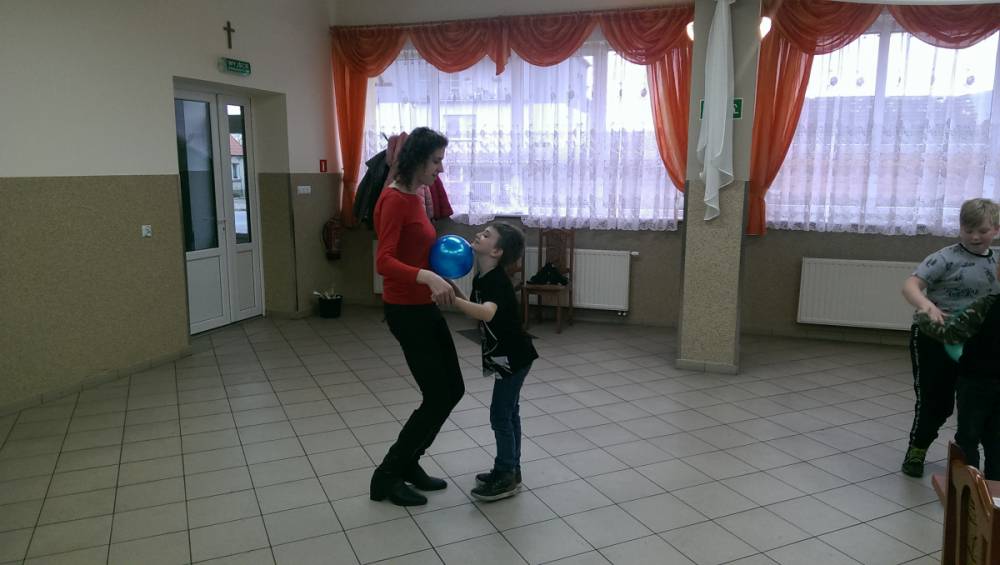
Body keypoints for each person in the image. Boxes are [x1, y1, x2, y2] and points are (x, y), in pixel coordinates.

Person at [369, 127, 464, 506]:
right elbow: (384, 261)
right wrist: (425, 276)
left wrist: (441, 277)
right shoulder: (394, 200)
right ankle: (386, 476)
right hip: (405, 311)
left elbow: (417, 251)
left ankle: (410, 463)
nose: (440, 168)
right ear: (417, 159)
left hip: (423, 306)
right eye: (436, 161)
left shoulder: (416, 196)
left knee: (452, 389)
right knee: (437, 395)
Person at [900, 198, 1000, 477]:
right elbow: (911, 285)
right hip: (936, 338)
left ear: (996, 229)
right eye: (968, 230)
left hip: (976, 344)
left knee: (977, 402)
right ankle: (917, 449)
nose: (975, 237)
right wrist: (926, 305)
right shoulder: (945, 257)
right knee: (936, 400)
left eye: (982, 230)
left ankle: (975, 465)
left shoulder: (997, 260)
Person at [450, 223, 538, 501]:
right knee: (509, 413)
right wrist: (453, 290)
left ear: (497, 251)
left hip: (514, 357)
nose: (479, 234)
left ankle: (506, 474)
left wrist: (453, 300)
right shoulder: (481, 278)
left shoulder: (497, 280)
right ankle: (511, 469)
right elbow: (475, 312)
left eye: (487, 235)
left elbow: (487, 313)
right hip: (504, 355)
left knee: (501, 415)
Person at [916, 292, 1000, 478]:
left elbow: (951, 334)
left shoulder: (984, 305)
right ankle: (995, 488)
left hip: (976, 380)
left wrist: (924, 317)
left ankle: (969, 487)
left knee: (968, 437)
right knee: (995, 439)